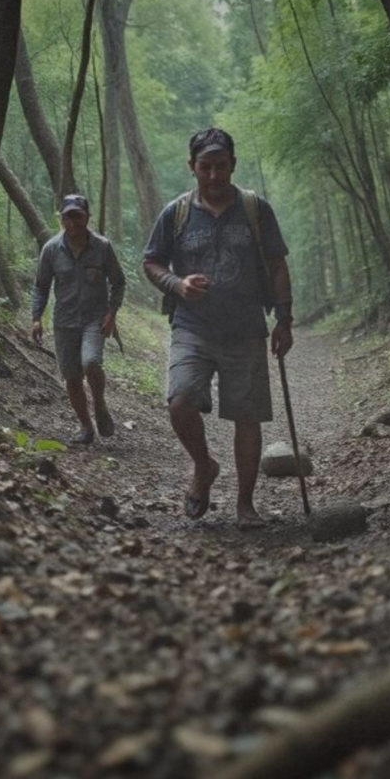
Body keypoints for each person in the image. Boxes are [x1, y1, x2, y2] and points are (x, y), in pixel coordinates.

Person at [142, 127, 293, 528]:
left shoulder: (254, 208)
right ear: (192, 167)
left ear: (233, 166)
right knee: (180, 402)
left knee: (247, 416)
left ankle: (245, 504)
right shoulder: (175, 213)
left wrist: (284, 319)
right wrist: (177, 284)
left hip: (246, 328)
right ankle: (204, 466)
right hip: (192, 327)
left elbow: (277, 264)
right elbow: (152, 261)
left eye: (220, 166)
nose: (213, 175)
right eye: (204, 167)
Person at [31, 193, 126, 445]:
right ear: (60, 218)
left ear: (87, 217)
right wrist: (36, 318)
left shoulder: (102, 247)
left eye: (77, 216)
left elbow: (118, 282)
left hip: (94, 319)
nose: (72, 222)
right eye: (67, 217)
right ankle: (86, 427)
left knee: (91, 362)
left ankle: (100, 404)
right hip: (64, 322)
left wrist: (111, 314)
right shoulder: (51, 249)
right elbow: (41, 286)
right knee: (72, 378)